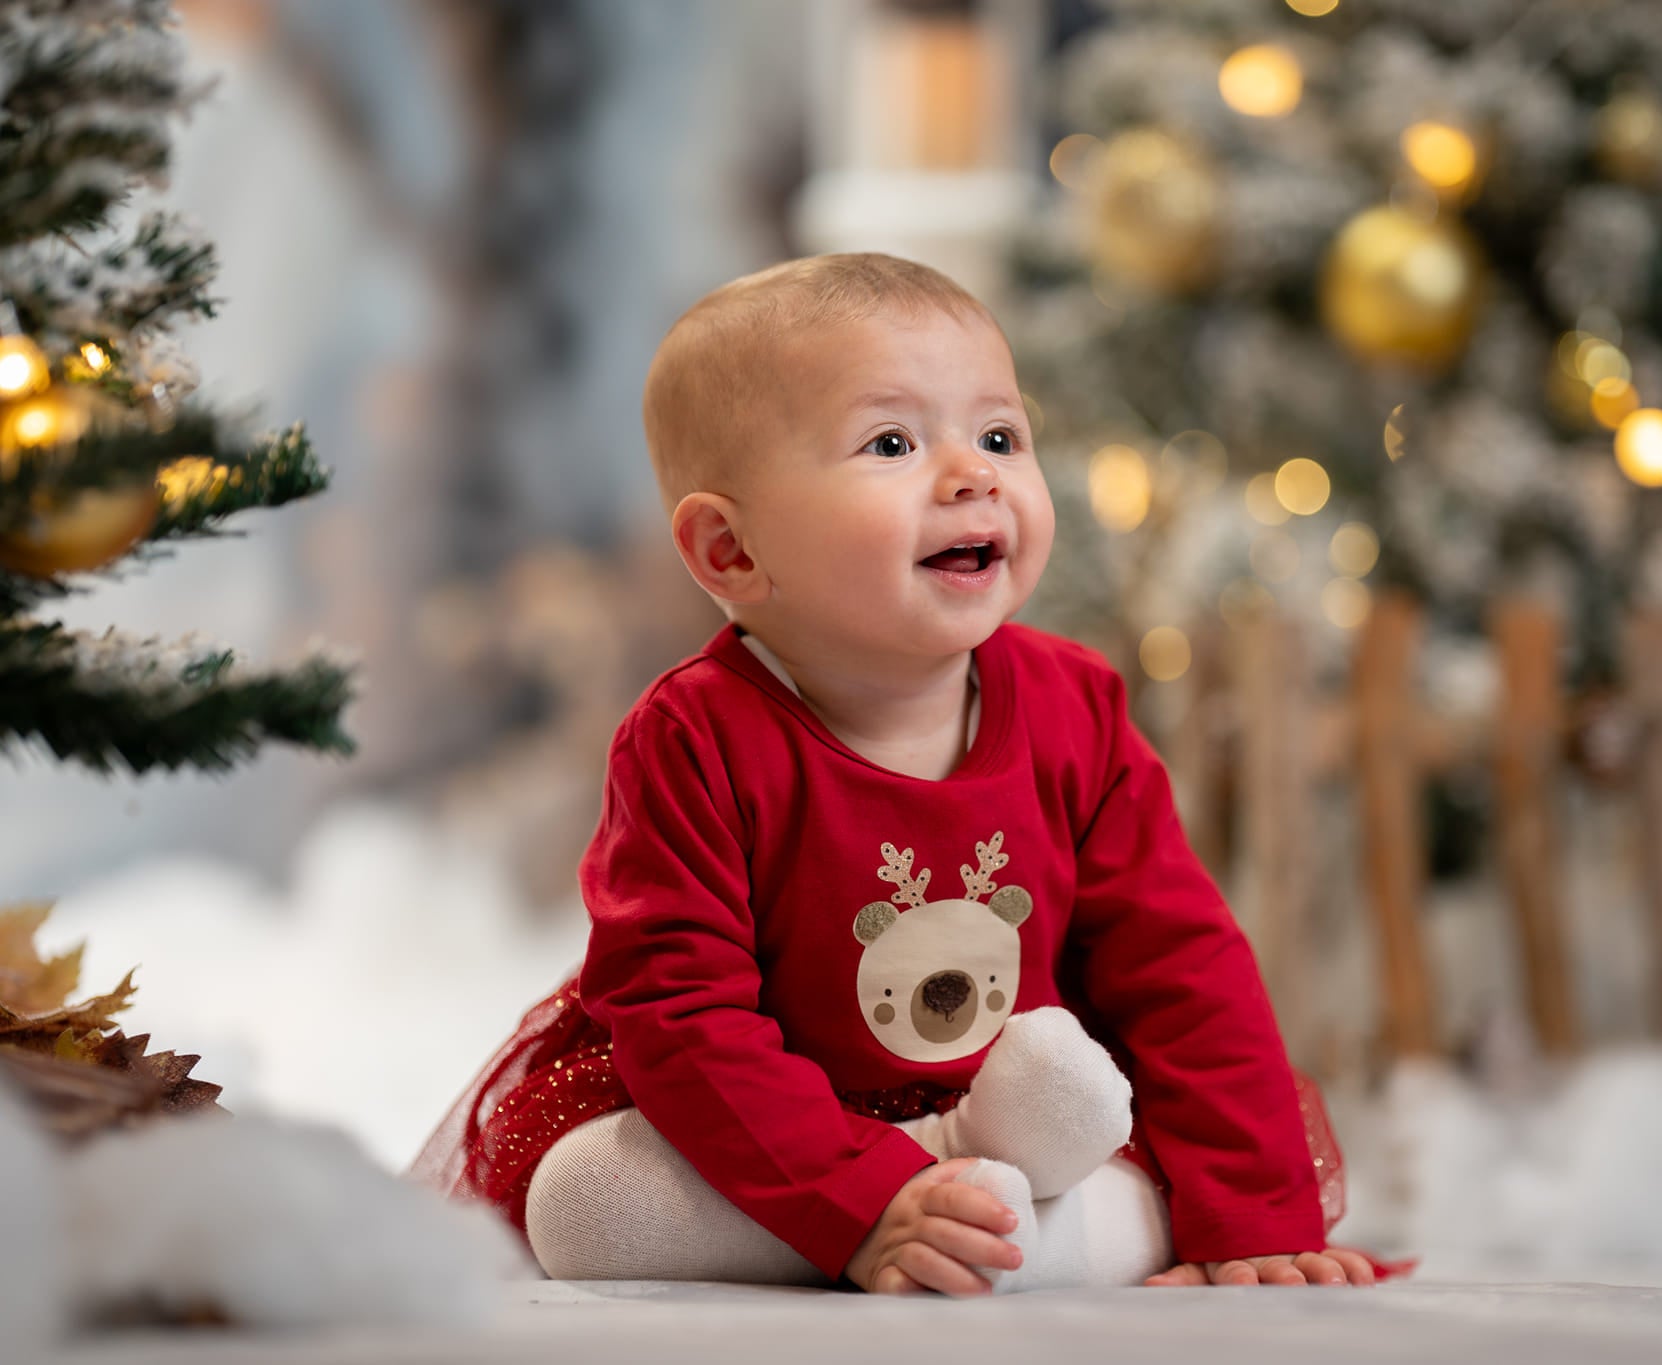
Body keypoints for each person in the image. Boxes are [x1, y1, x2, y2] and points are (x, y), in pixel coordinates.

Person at [411, 253, 1409, 1296]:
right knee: (585, 1204)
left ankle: (980, 1216)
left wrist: (1250, 1221)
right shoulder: (694, 737)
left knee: (1077, 1090)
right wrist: (856, 1195)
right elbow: (684, 1020)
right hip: (772, 1123)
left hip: (1020, 1107)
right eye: (891, 442)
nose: (972, 474)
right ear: (729, 552)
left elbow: (1181, 969)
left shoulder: (1075, 709)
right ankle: (972, 1229)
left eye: (998, 436)